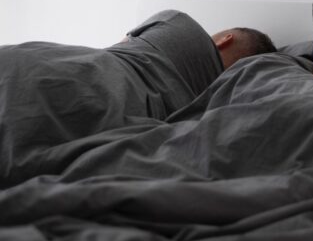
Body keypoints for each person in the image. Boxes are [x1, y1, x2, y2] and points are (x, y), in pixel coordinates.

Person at [0, 9, 276, 183]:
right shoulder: (218, 105)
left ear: (225, 39)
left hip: (80, 71)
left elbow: (119, 45)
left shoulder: (178, 22)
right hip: (131, 120)